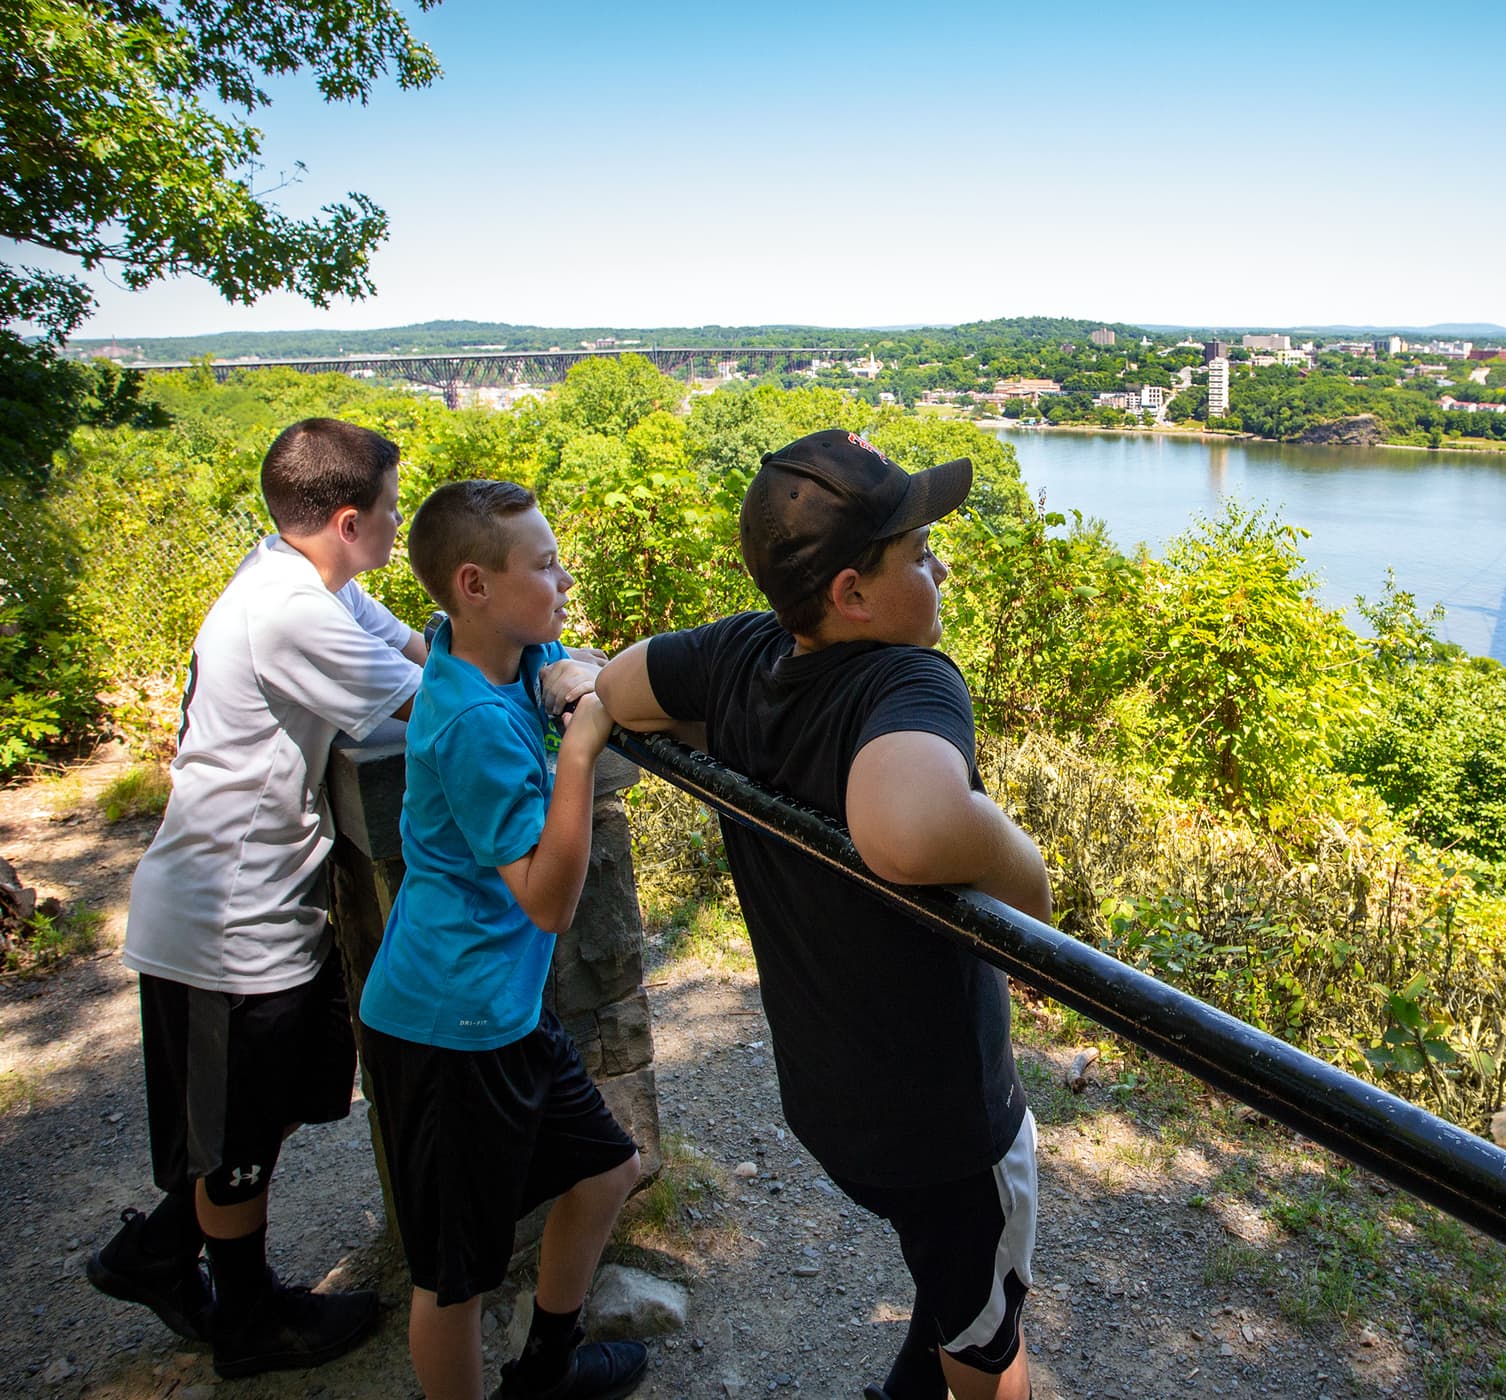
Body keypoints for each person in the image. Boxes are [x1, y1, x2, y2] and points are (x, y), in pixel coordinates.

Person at [597, 429, 1051, 1400]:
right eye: (919, 553)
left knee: (951, 1288)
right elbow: (908, 827)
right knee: (987, 1339)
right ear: (851, 592)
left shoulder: (741, 653)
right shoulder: (904, 681)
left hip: (831, 1104)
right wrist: (1031, 874)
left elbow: (617, 685)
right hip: (947, 1133)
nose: (940, 564)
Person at [91, 417, 427, 1376]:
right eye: (395, 513)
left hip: (270, 911)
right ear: (352, 520)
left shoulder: (306, 579)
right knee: (235, 1141)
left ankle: (155, 1251)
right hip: (223, 927)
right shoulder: (291, 612)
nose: (400, 531)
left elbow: (418, 649)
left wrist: (511, 642)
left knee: (273, 1102)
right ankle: (248, 1324)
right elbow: (433, 701)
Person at [357, 479, 645, 1400]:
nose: (563, 579)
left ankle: (545, 1369)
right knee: (455, 1275)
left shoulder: (497, 647)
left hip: (501, 1013)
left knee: (607, 1171)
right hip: (447, 1026)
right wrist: (578, 747)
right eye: (545, 565)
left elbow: (578, 665)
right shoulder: (472, 719)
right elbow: (551, 905)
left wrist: (574, 674)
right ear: (474, 583)